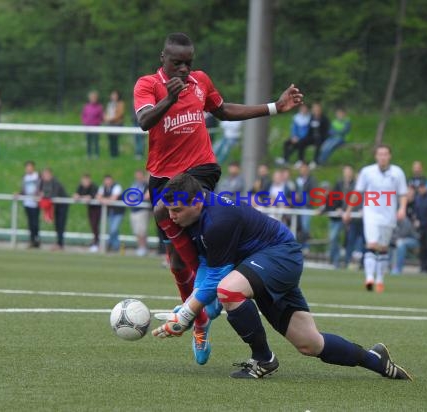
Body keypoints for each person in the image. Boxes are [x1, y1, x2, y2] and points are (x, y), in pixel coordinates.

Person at [133, 32, 303, 365]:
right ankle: (200, 319)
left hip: (201, 170)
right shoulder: (148, 85)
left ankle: (201, 305)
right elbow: (144, 121)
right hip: (163, 175)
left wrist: (274, 106)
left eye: (189, 63)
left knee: (162, 209)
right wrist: (169, 98)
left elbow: (223, 110)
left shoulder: (200, 81)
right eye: (177, 62)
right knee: (178, 260)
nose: (184, 69)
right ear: (163, 58)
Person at [152, 173, 412, 381]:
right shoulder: (195, 217)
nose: (172, 217)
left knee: (228, 290)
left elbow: (218, 277)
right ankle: (375, 360)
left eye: (176, 210)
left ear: (197, 202)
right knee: (310, 343)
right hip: (258, 267)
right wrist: (192, 307)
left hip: (279, 256)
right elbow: (208, 267)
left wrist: (186, 314)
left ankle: (263, 360)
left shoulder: (218, 218)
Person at [343, 145, 408, 293]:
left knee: (383, 248)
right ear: (376, 156)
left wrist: (402, 208)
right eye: (380, 154)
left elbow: (403, 193)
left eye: (385, 154)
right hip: (371, 212)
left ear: (389, 156)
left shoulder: (397, 172)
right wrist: (348, 211)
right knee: (371, 244)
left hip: (388, 215)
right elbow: (357, 192)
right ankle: (369, 278)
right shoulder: (367, 172)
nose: (382, 157)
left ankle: (379, 279)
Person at [39, 168, 69, 251]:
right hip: (56, 205)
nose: (44, 177)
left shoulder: (55, 182)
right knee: (57, 225)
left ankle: (60, 243)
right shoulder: (44, 182)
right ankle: (58, 243)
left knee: (60, 224)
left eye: (45, 175)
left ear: (50, 174)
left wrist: (44, 195)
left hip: (62, 205)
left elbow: (53, 194)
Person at [96, 175, 125, 252]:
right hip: (109, 212)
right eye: (106, 180)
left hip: (118, 212)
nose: (107, 182)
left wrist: (104, 200)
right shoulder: (102, 187)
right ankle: (116, 246)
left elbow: (114, 198)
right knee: (113, 230)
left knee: (113, 229)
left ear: (112, 180)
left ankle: (110, 244)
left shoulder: (117, 187)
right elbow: (98, 197)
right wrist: (105, 200)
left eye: (109, 180)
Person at [73, 174, 101, 252]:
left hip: (97, 209)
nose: (84, 182)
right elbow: (77, 194)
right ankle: (94, 242)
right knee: (92, 225)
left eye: (86, 181)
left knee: (95, 225)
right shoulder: (81, 186)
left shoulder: (94, 186)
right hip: (90, 208)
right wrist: (77, 196)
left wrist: (88, 197)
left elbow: (92, 196)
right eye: (83, 181)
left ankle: (96, 243)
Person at [294, 163, 317, 251]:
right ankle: (299, 246)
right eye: (301, 169)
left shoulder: (312, 180)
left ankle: (306, 247)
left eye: (304, 169)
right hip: (297, 206)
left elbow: (313, 193)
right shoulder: (297, 179)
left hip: (306, 206)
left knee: (305, 226)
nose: (302, 170)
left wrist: (302, 197)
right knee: (298, 227)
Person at [301, 102, 330, 169]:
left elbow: (326, 131)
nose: (315, 111)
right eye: (314, 109)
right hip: (312, 137)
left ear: (320, 110)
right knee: (302, 141)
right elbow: (309, 130)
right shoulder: (312, 118)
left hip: (321, 138)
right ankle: (301, 160)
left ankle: (315, 161)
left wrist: (321, 137)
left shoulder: (325, 119)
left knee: (318, 142)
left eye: (317, 109)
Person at [19, 161, 40, 248]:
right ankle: (32, 240)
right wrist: (19, 194)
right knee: (30, 223)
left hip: (35, 203)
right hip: (27, 202)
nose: (28, 169)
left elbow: (40, 188)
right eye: (27, 167)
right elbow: (23, 190)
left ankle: (36, 240)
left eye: (30, 167)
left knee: (35, 222)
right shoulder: (25, 177)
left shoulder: (37, 176)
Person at [129, 170, 151, 257]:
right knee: (136, 231)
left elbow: (147, 196)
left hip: (142, 210)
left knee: (142, 230)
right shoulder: (134, 184)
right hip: (134, 210)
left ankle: (143, 247)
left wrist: (135, 199)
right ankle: (140, 247)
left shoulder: (146, 185)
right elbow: (130, 195)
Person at [81, 91, 104, 159]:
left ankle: (96, 154)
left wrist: (97, 122)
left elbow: (101, 117)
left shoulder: (99, 107)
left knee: (96, 141)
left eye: (94, 97)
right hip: (87, 126)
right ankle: (89, 154)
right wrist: (84, 122)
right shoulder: (86, 106)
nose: (93, 99)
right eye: (92, 97)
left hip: (96, 127)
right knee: (89, 141)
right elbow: (83, 115)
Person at [104, 90, 125, 158]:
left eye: (115, 95)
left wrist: (111, 119)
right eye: (112, 95)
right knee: (110, 139)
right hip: (109, 124)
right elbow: (107, 113)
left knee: (115, 139)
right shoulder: (109, 104)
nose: (113, 97)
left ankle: (115, 154)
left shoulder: (121, 103)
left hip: (116, 123)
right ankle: (111, 154)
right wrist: (106, 118)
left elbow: (120, 114)